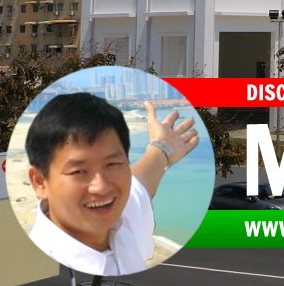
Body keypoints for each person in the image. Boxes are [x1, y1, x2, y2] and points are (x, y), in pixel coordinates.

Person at [25, 92, 199, 276]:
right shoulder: (39, 268)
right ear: (40, 182)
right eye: (79, 171)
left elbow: (140, 184)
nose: (101, 187)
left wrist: (163, 147)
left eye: (112, 164)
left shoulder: (119, 218)